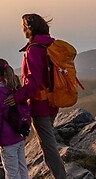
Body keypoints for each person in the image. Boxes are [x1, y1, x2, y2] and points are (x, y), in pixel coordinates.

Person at [9, 13, 67, 178]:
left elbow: (33, 83)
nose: (22, 31)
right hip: (53, 101)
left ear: (30, 29)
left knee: (48, 146)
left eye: (24, 28)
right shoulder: (50, 44)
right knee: (48, 142)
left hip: (40, 105)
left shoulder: (34, 49)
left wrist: (18, 96)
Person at [0, 58, 30, 179]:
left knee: (12, 174)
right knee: (23, 169)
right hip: (20, 136)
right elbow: (25, 110)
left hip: (7, 142)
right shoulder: (14, 88)